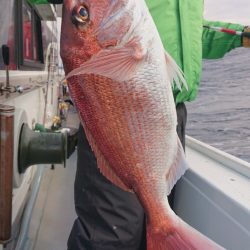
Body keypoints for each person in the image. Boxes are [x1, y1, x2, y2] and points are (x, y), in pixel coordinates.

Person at [30, 0, 250, 249]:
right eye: (83, 12)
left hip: (167, 116)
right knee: (111, 235)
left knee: (152, 224)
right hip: (120, 121)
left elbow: (190, 34)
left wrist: (240, 37)